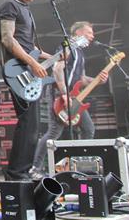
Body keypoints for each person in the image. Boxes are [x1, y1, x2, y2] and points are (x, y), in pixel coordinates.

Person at [29, 21, 109, 178]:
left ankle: (81, 166)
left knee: (88, 128)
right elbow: (57, 69)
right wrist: (64, 93)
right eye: (89, 33)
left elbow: (82, 78)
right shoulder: (68, 47)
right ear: (78, 33)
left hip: (74, 96)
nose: (92, 37)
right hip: (59, 94)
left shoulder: (81, 54)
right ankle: (35, 169)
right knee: (54, 132)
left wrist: (98, 79)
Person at [0, 0, 55, 181]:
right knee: (27, 122)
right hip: (17, 69)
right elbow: (8, 39)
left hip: (27, 69)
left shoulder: (25, 9)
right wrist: (32, 63)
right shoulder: (10, 5)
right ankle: (16, 173)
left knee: (33, 124)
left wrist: (56, 56)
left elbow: (30, 46)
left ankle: (25, 170)